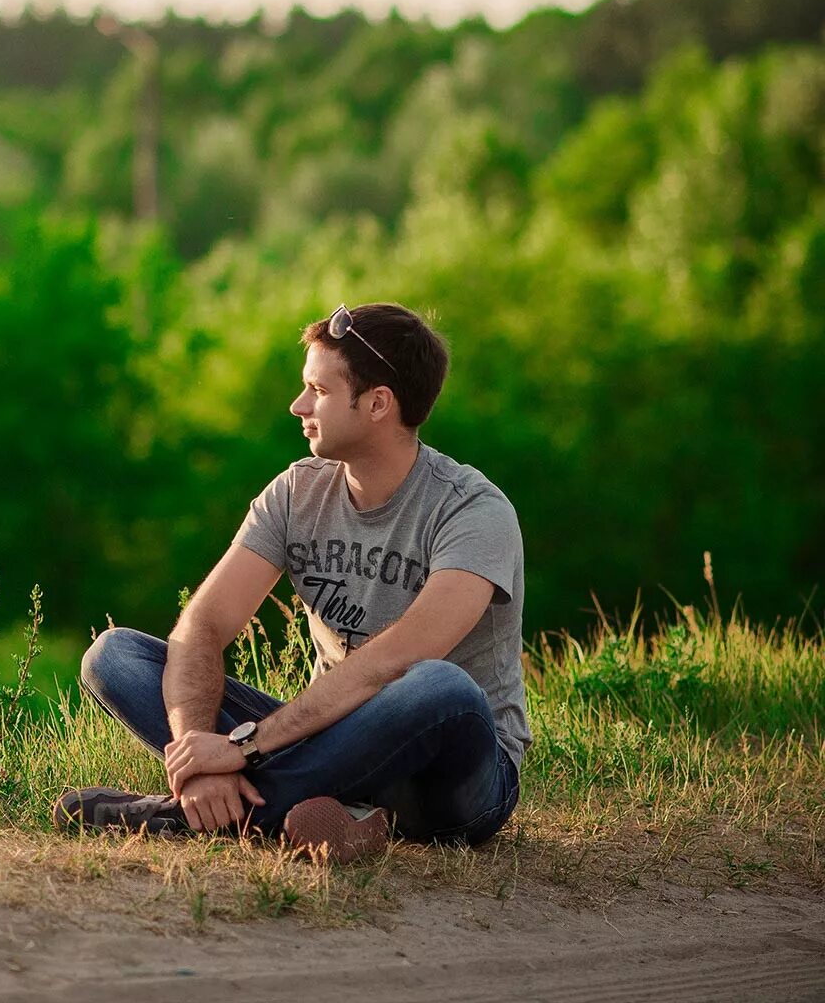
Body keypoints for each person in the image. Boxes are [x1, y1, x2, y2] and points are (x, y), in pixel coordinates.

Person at [56, 302, 529, 864]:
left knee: (438, 685)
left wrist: (244, 748)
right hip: (333, 749)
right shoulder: (297, 493)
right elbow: (205, 624)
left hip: (455, 778)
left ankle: (186, 817)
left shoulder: (473, 510)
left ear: (378, 403)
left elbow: (393, 662)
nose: (297, 405)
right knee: (115, 656)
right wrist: (200, 753)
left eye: (318, 391)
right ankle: (314, 813)